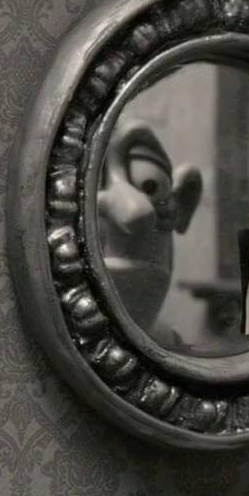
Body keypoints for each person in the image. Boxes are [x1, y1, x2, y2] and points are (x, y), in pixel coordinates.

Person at [95, 119, 202, 340]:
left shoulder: (170, 344)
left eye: (150, 185)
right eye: (95, 185)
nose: (135, 212)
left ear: (183, 203)